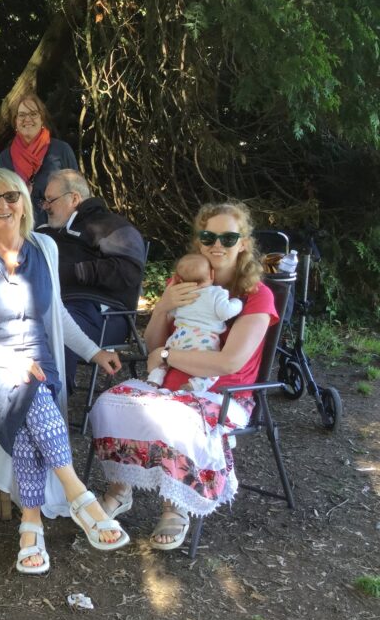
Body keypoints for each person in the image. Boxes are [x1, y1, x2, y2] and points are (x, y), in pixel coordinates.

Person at [0, 168, 128, 575]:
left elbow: (55, 312)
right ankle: (80, 496)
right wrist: (12, 361)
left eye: (11, 196)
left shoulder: (45, 247)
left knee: (32, 411)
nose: (3, 205)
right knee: (33, 392)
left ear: (25, 203)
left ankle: (31, 524)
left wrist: (94, 351)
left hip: (40, 364)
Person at [90, 202, 277, 551]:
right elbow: (152, 344)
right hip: (169, 385)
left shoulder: (256, 296)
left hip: (223, 394)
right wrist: (163, 306)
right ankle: (120, 489)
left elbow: (228, 363)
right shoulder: (184, 283)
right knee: (110, 403)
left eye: (227, 238)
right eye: (208, 237)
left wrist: (167, 357)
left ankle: (175, 505)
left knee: (175, 418)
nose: (216, 245)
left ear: (243, 244)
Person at [37, 169, 146, 392]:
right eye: (44, 201)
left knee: (52, 329)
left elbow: (129, 270)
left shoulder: (109, 226)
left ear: (74, 198)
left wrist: (73, 272)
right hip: (47, 303)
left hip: (101, 312)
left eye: (50, 200)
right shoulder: (43, 232)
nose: (45, 206)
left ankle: (51, 403)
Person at [146, 253, 243, 392]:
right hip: (201, 339)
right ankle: (194, 385)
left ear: (179, 279)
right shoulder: (216, 292)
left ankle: (154, 379)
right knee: (213, 370)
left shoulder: (180, 294)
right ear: (212, 274)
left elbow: (172, 313)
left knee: (163, 363)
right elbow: (225, 312)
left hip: (177, 338)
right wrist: (237, 302)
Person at [0, 92, 78, 223]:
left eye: (33, 114)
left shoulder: (61, 150)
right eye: (22, 115)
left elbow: (77, 194)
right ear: (15, 122)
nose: (27, 119)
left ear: (42, 119)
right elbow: (0, 200)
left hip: (57, 229)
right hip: (18, 229)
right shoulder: (4, 158)